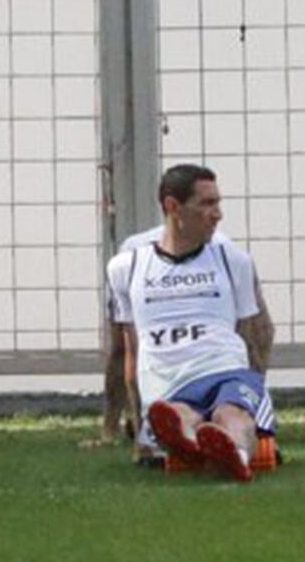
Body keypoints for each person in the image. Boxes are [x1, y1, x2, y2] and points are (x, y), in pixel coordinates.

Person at [102, 163, 276, 483]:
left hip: (226, 369)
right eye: (207, 204)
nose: (218, 214)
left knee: (232, 412)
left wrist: (257, 392)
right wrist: (136, 423)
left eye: (218, 203)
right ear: (173, 207)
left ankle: (234, 455)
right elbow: (131, 351)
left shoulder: (233, 260)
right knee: (179, 415)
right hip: (169, 381)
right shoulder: (127, 268)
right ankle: (196, 442)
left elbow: (254, 336)